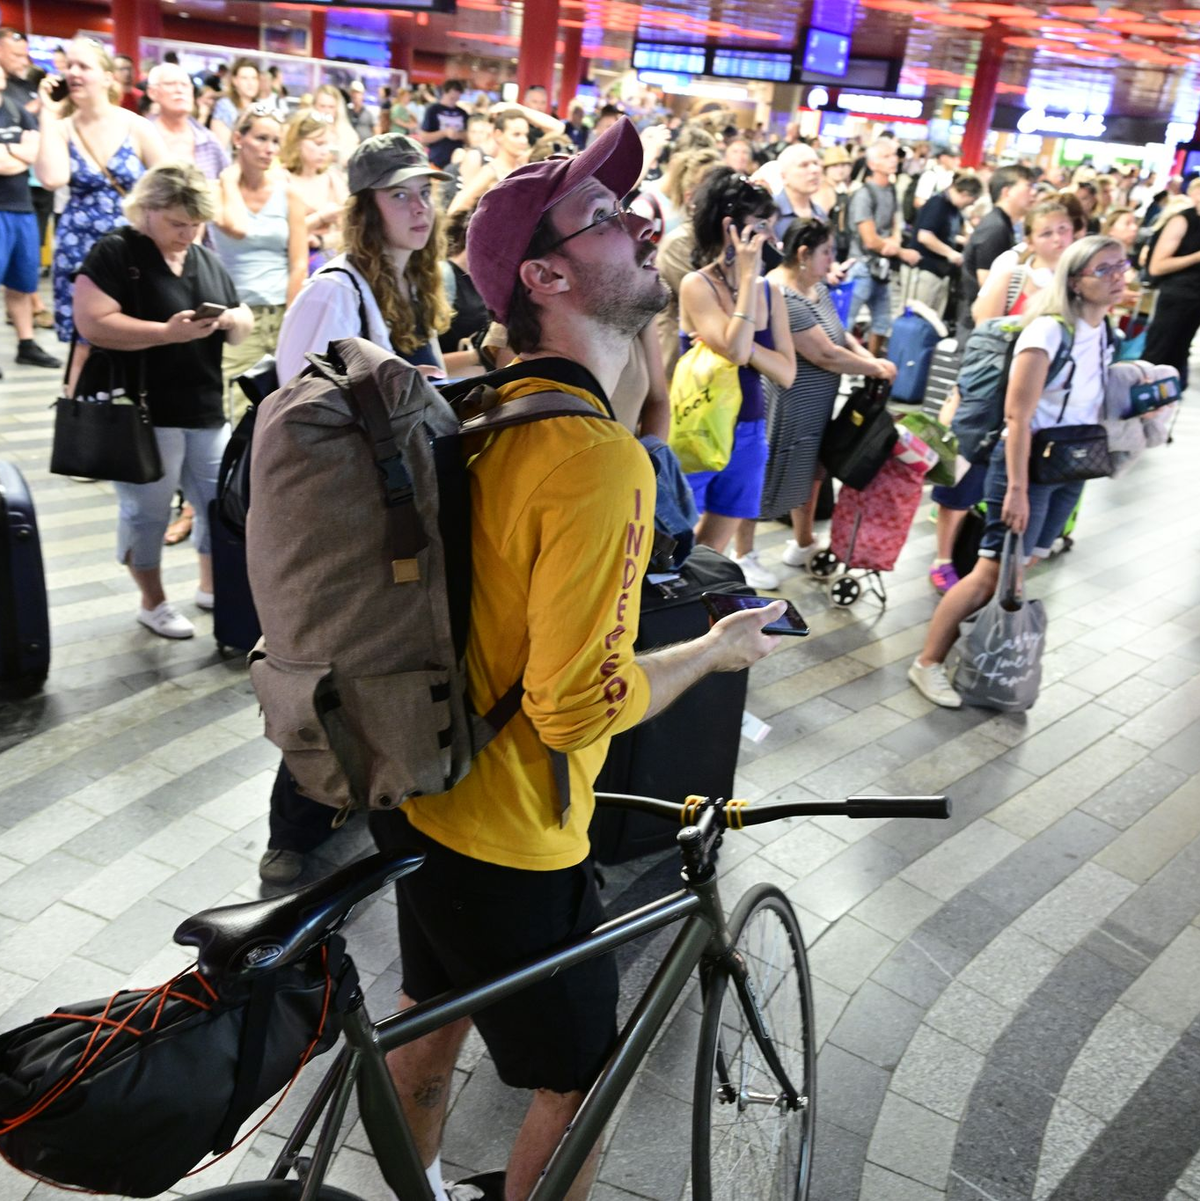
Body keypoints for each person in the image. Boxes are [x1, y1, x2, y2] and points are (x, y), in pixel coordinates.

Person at [364, 114, 786, 1201]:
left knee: (431, 1012)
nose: (644, 222)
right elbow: (571, 707)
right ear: (545, 273)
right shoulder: (594, 461)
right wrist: (709, 654)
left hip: (426, 792)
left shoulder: (498, 410)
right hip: (515, 835)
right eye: (606, 215)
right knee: (584, 1079)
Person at [909, 236, 1128, 708]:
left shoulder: (1105, 330)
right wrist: (1018, 491)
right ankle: (927, 663)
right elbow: (1017, 417)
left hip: (1068, 467)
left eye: (1121, 266)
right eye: (1104, 270)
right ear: (1075, 281)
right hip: (1026, 465)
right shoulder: (1047, 332)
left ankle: (970, 651)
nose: (1118, 277)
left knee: (1020, 568)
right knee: (990, 572)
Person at [71, 162, 253, 640]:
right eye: (178, 223)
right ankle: (152, 601)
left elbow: (239, 324)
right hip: (141, 410)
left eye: (195, 224)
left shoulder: (204, 256)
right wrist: (165, 334)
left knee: (218, 503)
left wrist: (236, 320)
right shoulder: (116, 251)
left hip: (203, 405)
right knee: (147, 512)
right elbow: (92, 322)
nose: (188, 233)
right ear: (147, 210)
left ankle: (211, 585)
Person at [678, 167, 795, 588]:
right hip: (696, 428)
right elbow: (739, 350)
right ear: (730, 228)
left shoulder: (772, 291)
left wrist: (736, 341)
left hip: (748, 430)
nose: (770, 236)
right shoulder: (697, 285)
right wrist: (747, 278)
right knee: (674, 542)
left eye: (771, 225)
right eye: (759, 226)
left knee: (711, 552)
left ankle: (692, 619)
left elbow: (785, 372)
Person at [764, 218, 895, 570]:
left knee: (812, 473)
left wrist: (867, 355)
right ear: (803, 254)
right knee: (774, 474)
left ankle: (803, 541)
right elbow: (824, 354)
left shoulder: (815, 287)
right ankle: (744, 552)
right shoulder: (781, 294)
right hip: (790, 401)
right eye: (827, 252)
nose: (832, 260)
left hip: (817, 401)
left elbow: (838, 335)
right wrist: (876, 368)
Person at [34, 37, 166, 382]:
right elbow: (52, 177)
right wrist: (48, 114)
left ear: (107, 77)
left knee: (136, 331)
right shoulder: (61, 128)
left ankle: (135, 415)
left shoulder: (136, 127)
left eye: (84, 66)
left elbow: (169, 184)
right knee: (85, 342)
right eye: (69, 66)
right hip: (81, 249)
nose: (73, 73)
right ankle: (80, 422)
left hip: (132, 248)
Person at [275, 132, 451, 386]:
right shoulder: (331, 293)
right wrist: (393, 389)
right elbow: (297, 405)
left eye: (424, 192)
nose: (420, 206)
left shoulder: (416, 281)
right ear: (366, 211)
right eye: (399, 195)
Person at [209, 105, 307, 417]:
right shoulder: (216, 191)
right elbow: (237, 228)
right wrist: (228, 179)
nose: (269, 149)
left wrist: (291, 319)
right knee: (237, 412)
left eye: (275, 141)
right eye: (261, 138)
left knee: (285, 410)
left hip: (282, 311)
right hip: (238, 315)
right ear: (238, 138)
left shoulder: (288, 194)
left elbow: (299, 262)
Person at [0, 63, 60, 373]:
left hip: (22, 208)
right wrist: (16, 152)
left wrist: (11, 153)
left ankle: (26, 344)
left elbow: (33, 154)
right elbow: (12, 161)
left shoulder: (15, 108)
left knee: (23, 283)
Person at [846, 136, 920, 355]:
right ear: (872, 164)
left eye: (893, 156)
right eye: (886, 156)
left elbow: (896, 224)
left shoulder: (890, 190)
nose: (893, 161)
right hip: (862, 264)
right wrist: (900, 251)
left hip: (882, 266)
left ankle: (870, 369)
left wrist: (893, 244)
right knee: (846, 322)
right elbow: (869, 239)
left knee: (882, 321)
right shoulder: (864, 193)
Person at [448, 104, 565, 215]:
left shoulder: (524, 161)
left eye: (526, 135)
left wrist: (516, 108)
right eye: (516, 134)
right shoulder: (491, 170)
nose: (524, 140)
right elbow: (457, 207)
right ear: (498, 135)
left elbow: (558, 129)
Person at [959, 164, 1035, 331]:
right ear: (1006, 192)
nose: (1033, 193)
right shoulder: (995, 227)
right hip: (979, 325)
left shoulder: (1003, 224)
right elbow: (986, 281)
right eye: (1028, 186)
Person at [1141, 177, 1200, 389]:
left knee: (1178, 353)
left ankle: (1165, 400)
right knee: (1158, 353)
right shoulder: (1182, 220)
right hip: (1176, 296)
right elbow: (1157, 266)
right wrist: (1195, 257)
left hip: (1194, 301)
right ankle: (1142, 397)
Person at [279, 109, 348, 274]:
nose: (325, 151)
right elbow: (280, 234)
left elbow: (351, 231)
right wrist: (320, 218)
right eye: (318, 143)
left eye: (327, 144)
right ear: (297, 142)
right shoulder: (280, 180)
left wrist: (321, 240)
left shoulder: (333, 179)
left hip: (324, 265)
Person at [911, 172, 983, 317]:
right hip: (925, 268)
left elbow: (944, 234)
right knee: (918, 316)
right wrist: (951, 253)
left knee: (932, 318)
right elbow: (925, 236)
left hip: (940, 271)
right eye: (972, 200)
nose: (971, 204)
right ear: (964, 194)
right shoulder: (938, 204)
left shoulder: (954, 209)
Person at [417, 78, 468, 170]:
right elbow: (424, 137)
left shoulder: (463, 113)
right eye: (452, 98)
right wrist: (444, 133)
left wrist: (459, 135)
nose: (454, 101)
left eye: (457, 98)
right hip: (437, 159)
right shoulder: (433, 110)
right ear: (445, 92)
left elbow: (469, 136)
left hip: (457, 161)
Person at [209, 57, 260, 149]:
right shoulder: (225, 106)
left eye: (254, 78)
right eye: (245, 78)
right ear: (235, 81)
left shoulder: (260, 107)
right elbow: (220, 148)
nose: (250, 83)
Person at [814, 145, 852, 260]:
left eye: (843, 165)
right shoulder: (824, 190)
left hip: (840, 246)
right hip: (829, 249)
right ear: (826, 169)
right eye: (835, 166)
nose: (840, 170)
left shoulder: (840, 188)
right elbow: (818, 224)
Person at [312, 83, 360, 166]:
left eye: (331, 107)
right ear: (314, 106)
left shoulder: (348, 134)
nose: (326, 111)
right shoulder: (305, 132)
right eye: (322, 106)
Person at [912, 144, 959, 214]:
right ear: (943, 158)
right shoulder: (930, 175)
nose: (958, 162)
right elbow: (919, 202)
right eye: (954, 158)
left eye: (958, 159)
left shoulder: (952, 176)